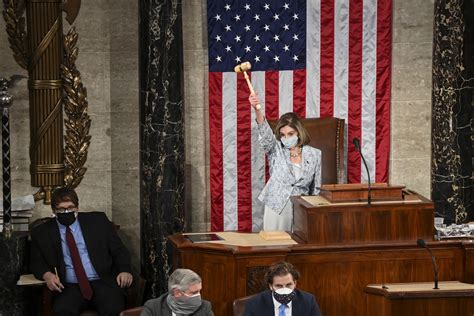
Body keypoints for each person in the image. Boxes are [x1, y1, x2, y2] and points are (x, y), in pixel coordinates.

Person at [30, 186, 133, 315]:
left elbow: (119, 250)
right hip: (68, 286)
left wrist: (125, 270)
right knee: (62, 311)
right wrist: (47, 275)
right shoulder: (42, 232)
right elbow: (36, 261)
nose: (66, 212)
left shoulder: (98, 221)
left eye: (70, 208)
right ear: (53, 211)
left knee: (113, 309)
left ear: (77, 208)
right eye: (61, 209)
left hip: (102, 282)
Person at [249, 93, 322, 231]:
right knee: (276, 247)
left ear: (299, 133)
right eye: (282, 135)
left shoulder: (315, 154)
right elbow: (265, 134)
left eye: (290, 134)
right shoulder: (275, 149)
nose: (286, 138)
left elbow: (316, 189)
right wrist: (257, 109)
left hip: (302, 208)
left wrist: (313, 213)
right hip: (277, 207)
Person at [244, 261, 322, 316]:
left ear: (295, 283)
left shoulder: (308, 301)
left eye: (288, 285)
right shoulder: (254, 304)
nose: (284, 290)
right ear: (271, 286)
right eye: (279, 286)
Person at [141, 268, 214, 316]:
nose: (198, 296)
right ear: (177, 293)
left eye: (199, 291)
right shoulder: (153, 308)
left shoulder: (205, 307)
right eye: (194, 293)